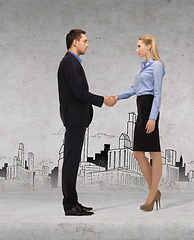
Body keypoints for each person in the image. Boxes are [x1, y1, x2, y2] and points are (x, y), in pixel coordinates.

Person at [57, 29, 116, 216]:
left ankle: (73, 202)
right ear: (75, 42)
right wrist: (103, 100)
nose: (87, 44)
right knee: (71, 161)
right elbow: (79, 92)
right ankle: (70, 205)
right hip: (74, 119)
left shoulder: (72, 63)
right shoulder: (69, 63)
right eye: (85, 40)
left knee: (73, 161)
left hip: (76, 119)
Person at [111, 35, 165, 212]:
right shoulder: (142, 67)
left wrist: (152, 118)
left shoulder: (157, 66)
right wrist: (117, 96)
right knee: (137, 152)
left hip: (150, 108)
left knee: (154, 152)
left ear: (149, 46)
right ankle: (154, 192)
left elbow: (157, 94)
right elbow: (135, 89)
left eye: (139, 46)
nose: (137, 49)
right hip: (141, 109)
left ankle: (151, 196)